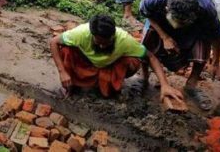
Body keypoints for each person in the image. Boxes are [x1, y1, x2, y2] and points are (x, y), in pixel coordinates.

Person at [140, 0, 220, 110]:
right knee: (148, 41)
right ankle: (144, 78)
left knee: (203, 40)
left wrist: (215, 62)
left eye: (184, 23)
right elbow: (147, 14)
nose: (179, 28)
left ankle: (191, 85)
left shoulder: (206, 9)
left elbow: (216, 35)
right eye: (177, 22)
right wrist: (165, 37)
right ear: (166, 9)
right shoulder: (153, 0)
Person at [50, 14, 183, 101]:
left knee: (132, 61)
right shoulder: (81, 33)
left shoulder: (124, 39)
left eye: (106, 43)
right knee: (67, 50)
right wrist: (62, 72)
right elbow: (54, 42)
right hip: (87, 63)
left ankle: (109, 86)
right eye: (98, 42)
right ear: (92, 35)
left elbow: (151, 57)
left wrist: (165, 85)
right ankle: (72, 86)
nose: (102, 47)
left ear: (113, 36)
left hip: (108, 67)